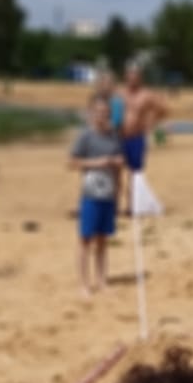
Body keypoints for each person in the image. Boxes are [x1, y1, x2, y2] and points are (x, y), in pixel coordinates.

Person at [70, 94, 123, 295]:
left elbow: (119, 166)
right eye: (98, 112)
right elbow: (72, 161)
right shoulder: (85, 136)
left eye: (106, 113)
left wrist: (118, 192)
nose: (102, 116)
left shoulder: (114, 137)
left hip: (108, 194)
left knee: (103, 240)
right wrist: (98, 162)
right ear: (91, 114)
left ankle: (102, 280)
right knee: (85, 239)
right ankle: (83, 283)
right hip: (90, 194)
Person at [119, 61, 168, 213]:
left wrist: (150, 123)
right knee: (115, 171)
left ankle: (132, 204)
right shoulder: (119, 93)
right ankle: (114, 204)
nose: (132, 79)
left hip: (136, 137)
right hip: (119, 137)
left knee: (135, 173)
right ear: (125, 77)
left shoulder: (146, 95)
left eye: (136, 76)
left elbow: (163, 109)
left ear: (140, 78)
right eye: (130, 75)